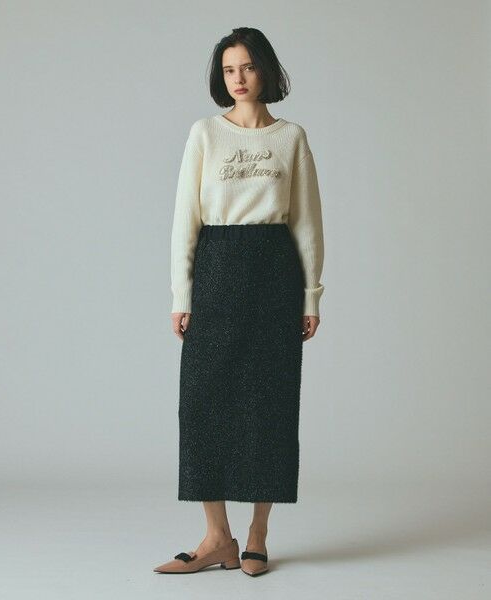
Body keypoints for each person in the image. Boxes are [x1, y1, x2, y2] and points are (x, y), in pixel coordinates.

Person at [154, 27, 325, 576]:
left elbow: (307, 223)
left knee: (268, 402)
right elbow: (185, 218)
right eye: (229, 70)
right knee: (203, 402)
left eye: (247, 67)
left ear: (265, 70)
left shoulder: (291, 137)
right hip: (217, 266)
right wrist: (182, 293)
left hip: (274, 271)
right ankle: (216, 537)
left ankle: (257, 535)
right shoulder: (205, 133)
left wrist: (310, 296)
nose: (239, 78)